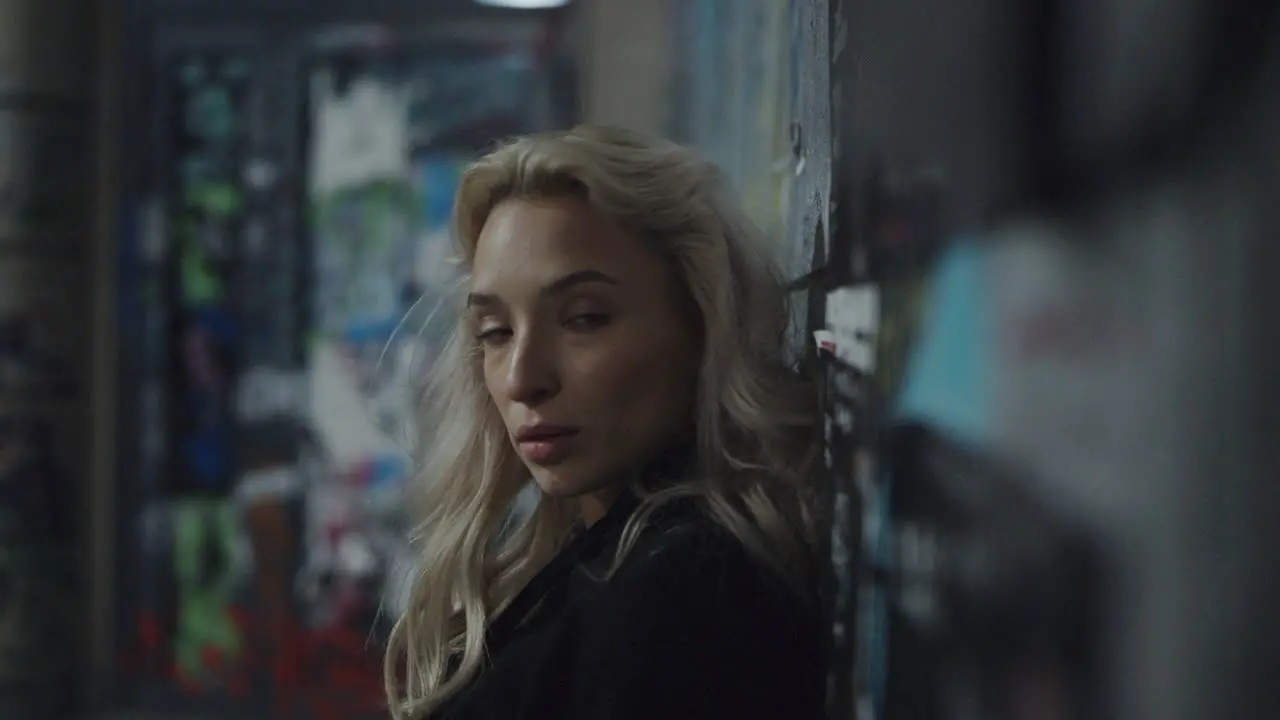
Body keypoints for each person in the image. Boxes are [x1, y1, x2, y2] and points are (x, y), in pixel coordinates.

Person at [384, 125, 825, 719]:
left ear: (701, 321)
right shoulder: (606, 567)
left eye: (584, 318)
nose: (522, 378)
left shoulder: (683, 600)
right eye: (496, 332)